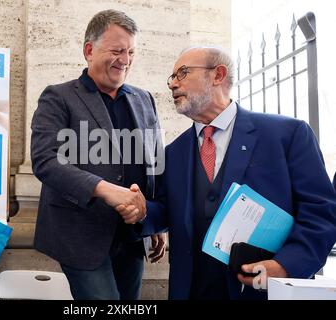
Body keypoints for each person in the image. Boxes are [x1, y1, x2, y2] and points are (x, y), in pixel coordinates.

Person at [117, 46, 336, 299]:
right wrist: (142, 210)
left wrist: (286, 266)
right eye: (172, 77)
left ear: (218, 75)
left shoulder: (288, 134)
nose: (172, 84)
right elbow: (167, 210)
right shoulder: (173, 153)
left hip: (259, 291)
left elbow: (320, 212)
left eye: (183, 73)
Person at [30, 9, 166, 300]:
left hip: (132, 235)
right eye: (117, 50)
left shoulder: (144, 99)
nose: (126, 60)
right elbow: (46, 160)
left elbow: (155, 163)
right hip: (81, 235)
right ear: (89, 50)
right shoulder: (58, 97)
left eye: (131, 51)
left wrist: (153, 218)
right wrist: (105, 190)